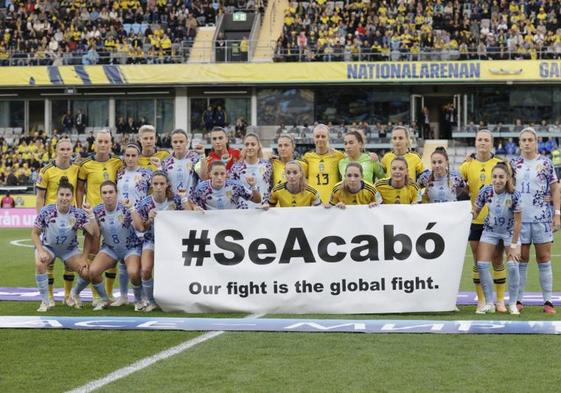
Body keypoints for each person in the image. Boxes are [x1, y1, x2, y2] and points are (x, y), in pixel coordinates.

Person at [71, 181, 144, 311]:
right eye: (104, 193)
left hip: (130, 247)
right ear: (101, 195)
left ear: (116, 193)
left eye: (111, 192)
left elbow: (140, 227)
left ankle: (138, 300)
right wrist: (91, 216)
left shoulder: (125, 207)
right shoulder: (98, 210)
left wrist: (132, 209)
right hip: (110, 248)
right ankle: (105, 300)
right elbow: (96, 234)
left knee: (133, 272)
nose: (108, 195)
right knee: (92, 271)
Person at [510, 127, 561, 314]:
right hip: (520, 219)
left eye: (530, 140)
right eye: (523, 140)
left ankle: (548, 301)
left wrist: (557, 213)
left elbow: (555, 189)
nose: (526, 143)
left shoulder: (546, 163)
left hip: (542, 218)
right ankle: (518, 300)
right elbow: (509, 187)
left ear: (536, 141)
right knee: (521, 259)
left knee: (544, 258)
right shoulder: (513, 164)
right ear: (519, 143)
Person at [31, 177, 99, 312]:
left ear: (72, 197)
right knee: (40, 263)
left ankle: (73, 293)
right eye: (61, 194)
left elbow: (93, 233)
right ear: (56, 195)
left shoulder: (78, 213)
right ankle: (45, 302)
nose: (64, 198)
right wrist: (41, 251)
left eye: (68, 195)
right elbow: (34, 233)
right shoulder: (46, 211)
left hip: (69, 250)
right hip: (49, 248)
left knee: (87, 272)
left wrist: (84, 257)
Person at [459, 129, 507, 313]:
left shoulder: (500, 164)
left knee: (497, 259)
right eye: (480, 139)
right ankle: (481, 301)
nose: (483, 143)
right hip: (476, 221)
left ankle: (500, 301)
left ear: (491, 143)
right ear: (475, 142)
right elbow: (454, 186)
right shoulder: (466, 165)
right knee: (479, 261)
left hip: (498, 221)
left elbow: (510, 189)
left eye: (486, 140)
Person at [76, 129, 123, 302]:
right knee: (92, 255)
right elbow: (80, 189)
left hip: (112, 214)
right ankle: (95, 295)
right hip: (92, 216)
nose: (103, 145)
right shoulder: (86, 165)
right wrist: (82, 210)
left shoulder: (118, 163)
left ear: (111, 144)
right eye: (100, 141)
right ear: (94, 143)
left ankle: (109, 294)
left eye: (106, 142)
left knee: (113, 254)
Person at [471, 163, 522, 315]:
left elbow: (518, 222)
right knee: (481, 264)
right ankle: (489, 303)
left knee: (513, 266)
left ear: (507, 178)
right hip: (490, 231)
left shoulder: (514, 194)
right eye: (495, 176)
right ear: (491, 177)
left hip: (509, 232)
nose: (497, 180)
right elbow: (476, 210)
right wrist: (468, 214)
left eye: (501, 177)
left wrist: (513, 244)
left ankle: (512, 303)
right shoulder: (486, 191)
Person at [132, 171, 186, 312]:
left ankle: (178, 298)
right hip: (152, 240)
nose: (159, 187)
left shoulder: (175, 200)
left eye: (162, 183)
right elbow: (142, 228)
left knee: (177, 270)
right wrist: (149, 219)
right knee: (145, 270)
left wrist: (188, 202)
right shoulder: (145, 203)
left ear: (167, 184)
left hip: (172, 242)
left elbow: (189, 215)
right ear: (151, 185)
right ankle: (151, 301)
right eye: (156, 184)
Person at [35, 138, 80, 306]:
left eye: (68, 149)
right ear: (56, 151)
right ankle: (51, 297)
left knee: (69, 260)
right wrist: (41, 220)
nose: (65, 152)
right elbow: (39, 197)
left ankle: (68, 296)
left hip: (70, 219)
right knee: (49, 261)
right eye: (62, 149)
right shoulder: (46, 170)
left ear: (72, 150)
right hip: (50, 220)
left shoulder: (76, 169)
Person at [113, 143, 152, 307]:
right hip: (123, 221)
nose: (130, 158)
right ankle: (123, 296)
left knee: (142, 261)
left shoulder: (146, 174)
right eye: (127, 155)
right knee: (123, 259)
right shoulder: (119, 174)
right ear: (123, 157)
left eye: (133, 155)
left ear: (138, 157)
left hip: (140, 219)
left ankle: (144, 297)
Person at [191, 160, 261, 210]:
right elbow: (192, 202)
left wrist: (253, 186)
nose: (219, 177)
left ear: (226, 174)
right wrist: (195, 207)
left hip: (232, 223)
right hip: (211, 225)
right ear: (210, 174)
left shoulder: (235, 186)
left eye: (222, 174)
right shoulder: (201, 188)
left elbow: (257, 200)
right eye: (216, 174)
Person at [303, 124, 344, 204]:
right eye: (317, 136)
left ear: (328, 137)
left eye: (323, 136)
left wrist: (368, 154)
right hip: (313, 204)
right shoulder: (307, 157)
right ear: (313, 138)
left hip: (333, 203)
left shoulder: (339, 156)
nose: (320, 139)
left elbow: (353, 158)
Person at [161, 129, 207, 200]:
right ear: (171, 143)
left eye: (181, 142)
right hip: (172, 204)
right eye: (175, 142)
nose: (178, 144)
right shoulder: (166, 162)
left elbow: (204, 177)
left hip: (190, 204)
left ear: (187, 142)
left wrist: (202, 155)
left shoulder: (195, 159)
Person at [230, 133, 272, 208]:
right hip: (243, 212)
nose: (249, 147)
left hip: (263, 211)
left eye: (253, 144)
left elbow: (271, 188)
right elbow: (232, 191)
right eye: (247, 144)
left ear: (258, 146)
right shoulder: (236, 168)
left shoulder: (267, 166)